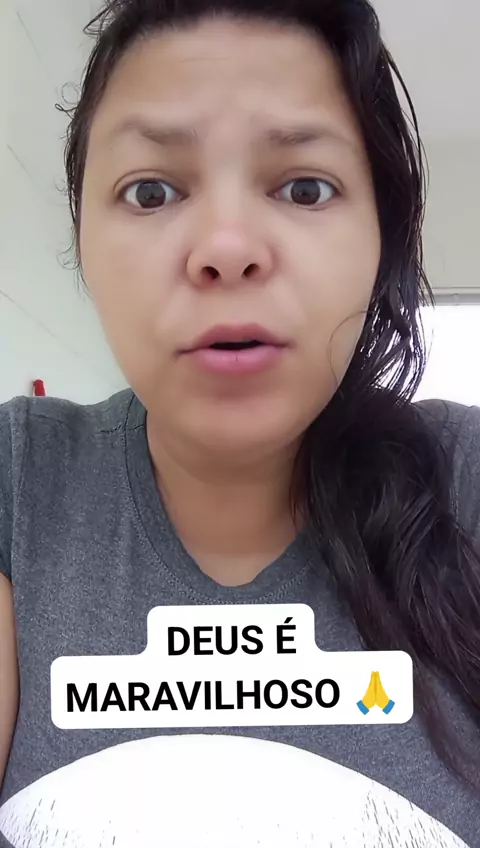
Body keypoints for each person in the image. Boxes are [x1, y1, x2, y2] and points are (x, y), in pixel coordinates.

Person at [1, 0, 479, 844]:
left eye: (305, 187)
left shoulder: (468, 481)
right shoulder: (19, 480)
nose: (226, 247)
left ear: (383, 236)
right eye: (151, 191)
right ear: (82, 238)